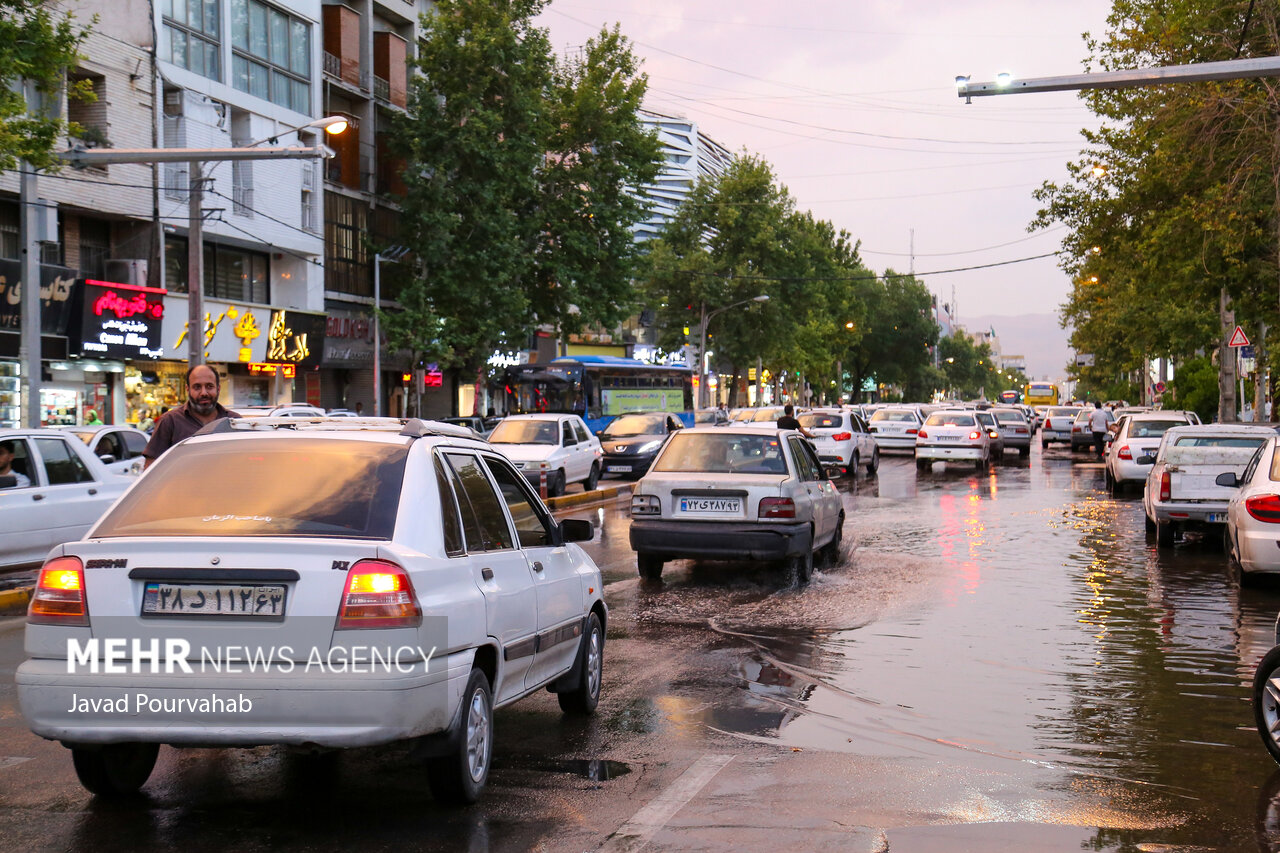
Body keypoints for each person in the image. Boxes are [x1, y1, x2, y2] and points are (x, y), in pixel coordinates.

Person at [143, 365, 239, 469]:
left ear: (218, 389)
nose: (204, 393)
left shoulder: (235, 423)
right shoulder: (169, 421)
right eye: (197, 387)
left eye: (209, 386)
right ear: (187, 389)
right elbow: (151, 467)